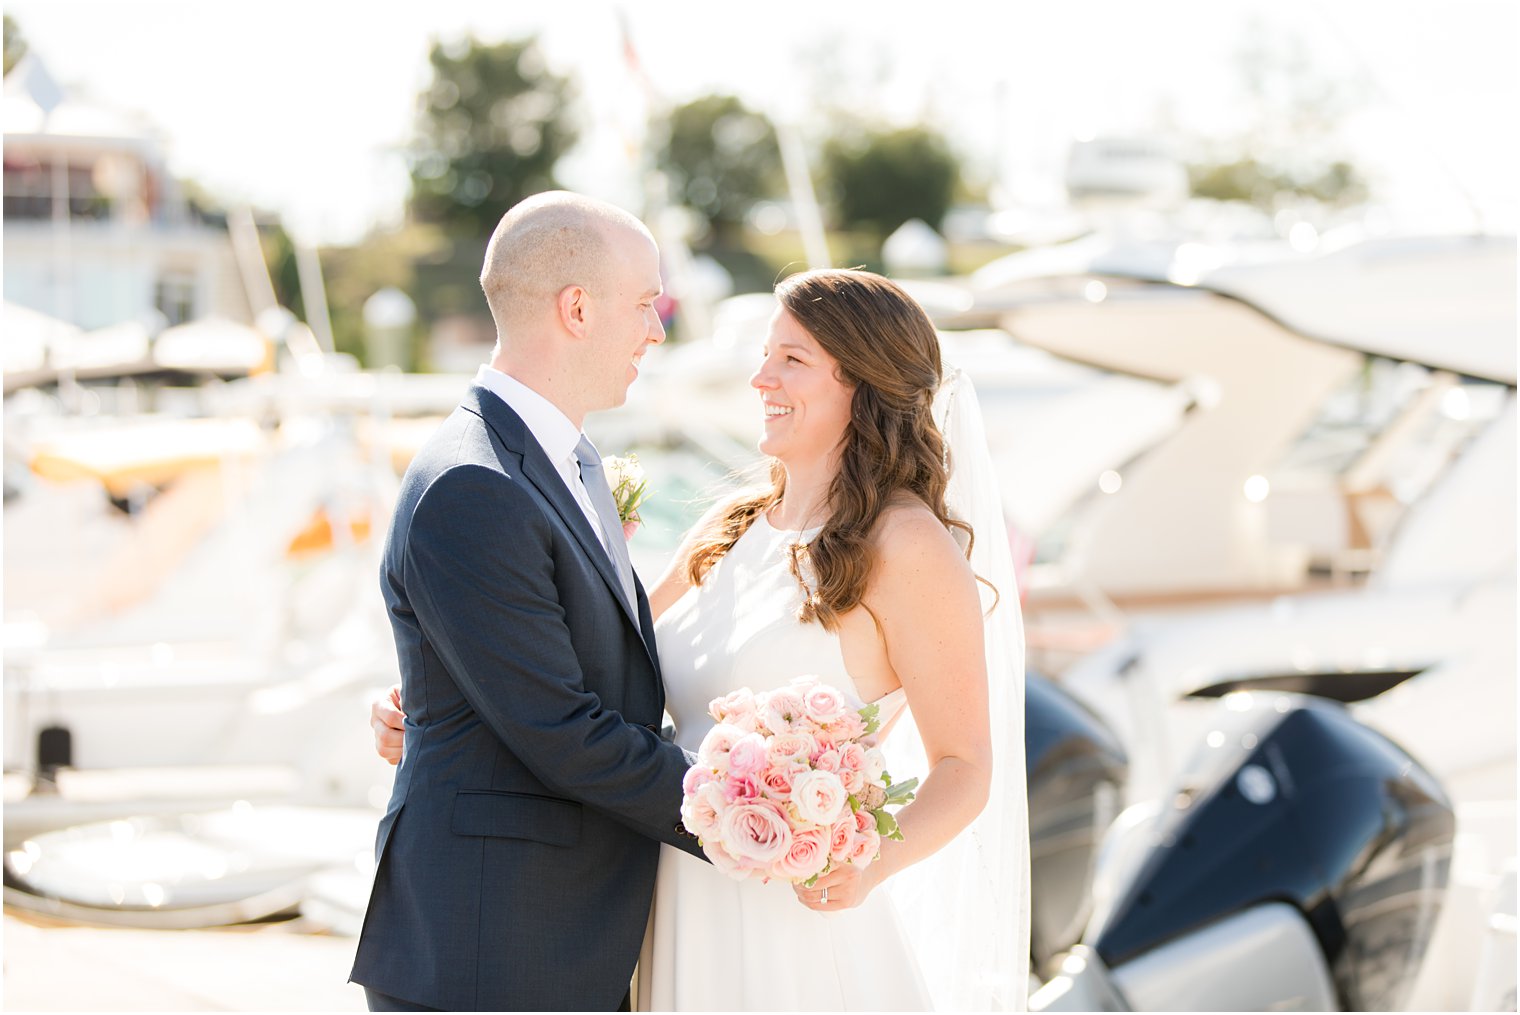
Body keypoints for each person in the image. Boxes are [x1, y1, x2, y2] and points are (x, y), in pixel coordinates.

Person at [372, 269, 1030, 1010]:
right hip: (670, 899)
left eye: (792, 359)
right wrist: (442, 700)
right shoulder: (731, 529)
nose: (760, 378)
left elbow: (965, 765)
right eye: (764, 354)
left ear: (864, 383)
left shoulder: (907, 546)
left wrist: (868, 864)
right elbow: (593, 678)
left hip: (796, 921)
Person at [349, 191, 707, 1013]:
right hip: (493, 947)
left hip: (552, 932)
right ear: (577, 308)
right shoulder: (474, 481)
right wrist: (753, 813)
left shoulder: (566, 462)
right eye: (647, 302)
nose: (657, 330)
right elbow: (561, 729)